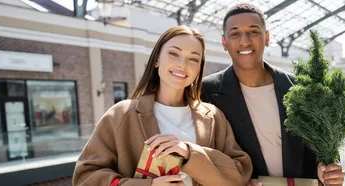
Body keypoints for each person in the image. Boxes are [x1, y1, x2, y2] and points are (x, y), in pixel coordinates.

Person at [73, 25, 252, 186]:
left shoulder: (213, 118)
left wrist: (189, 153)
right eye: (174, 54)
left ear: (199, 69)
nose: (182, 65)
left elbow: (239, 174)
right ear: (157, 59)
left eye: (193, 59)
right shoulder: (122, 114)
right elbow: (85, 176)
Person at [201, 3, 345, 186]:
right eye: (235, 34)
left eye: (253, 32)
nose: (244, 41)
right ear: (224, 42)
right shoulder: (207, 91)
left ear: (267, 37)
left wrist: (329, 168)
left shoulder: (299, 88)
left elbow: (322, 144)